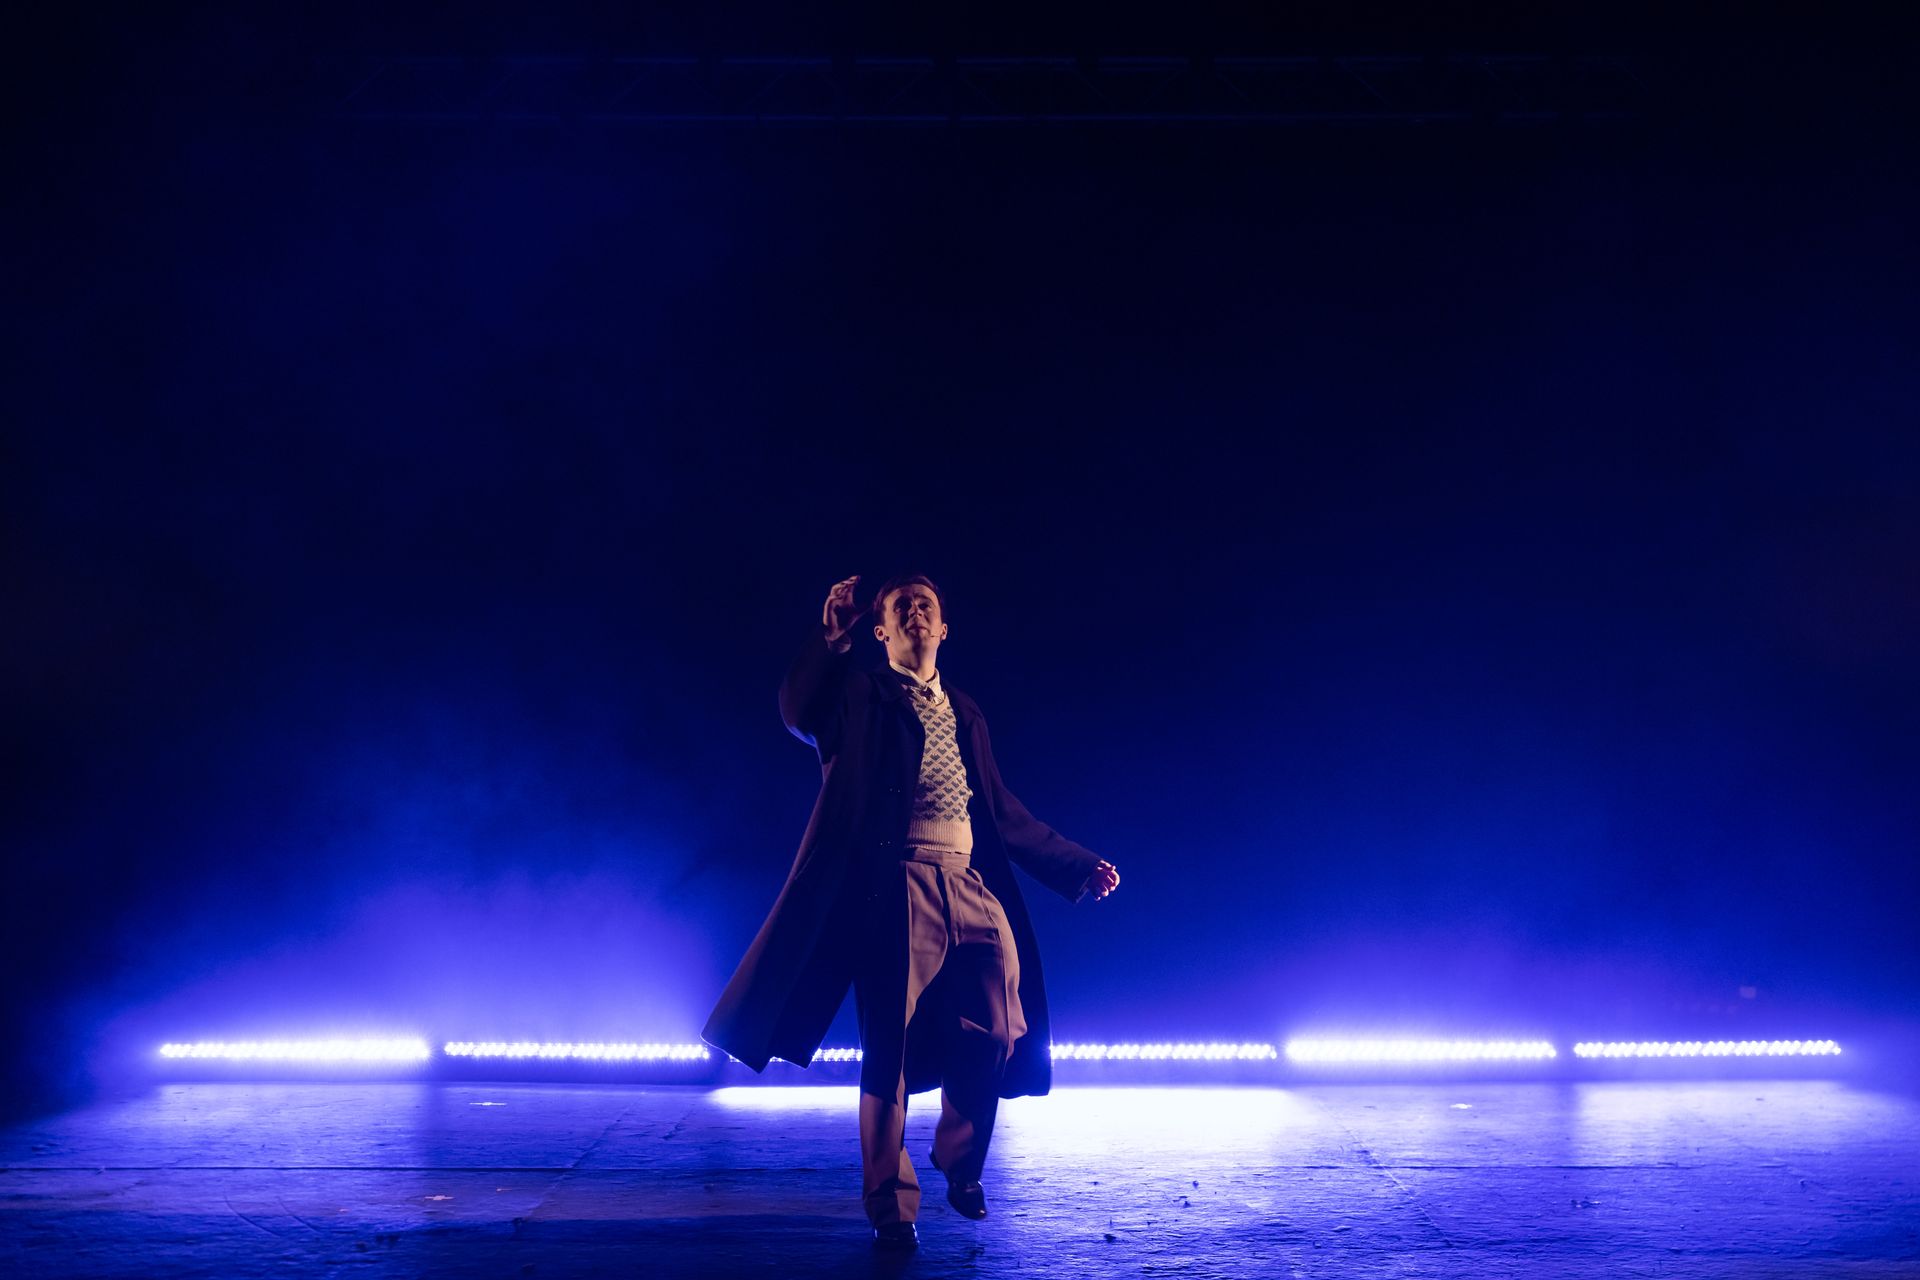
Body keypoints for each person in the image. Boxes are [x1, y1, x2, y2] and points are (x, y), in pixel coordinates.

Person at [702, 572, 1121, 1249]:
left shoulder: (965, 710)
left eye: (927, 605)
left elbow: (1000, 810)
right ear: (883, 630)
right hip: (896, 883)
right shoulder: (860, 696)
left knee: (998, 1028)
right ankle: (891, 1207)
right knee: (888, 1050)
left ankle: (959, 1158)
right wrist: (829, 640)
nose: (916, 613)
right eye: (902, 607)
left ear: (944, 628)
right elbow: (801, 711)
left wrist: (1074, 864)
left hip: (968, 881)